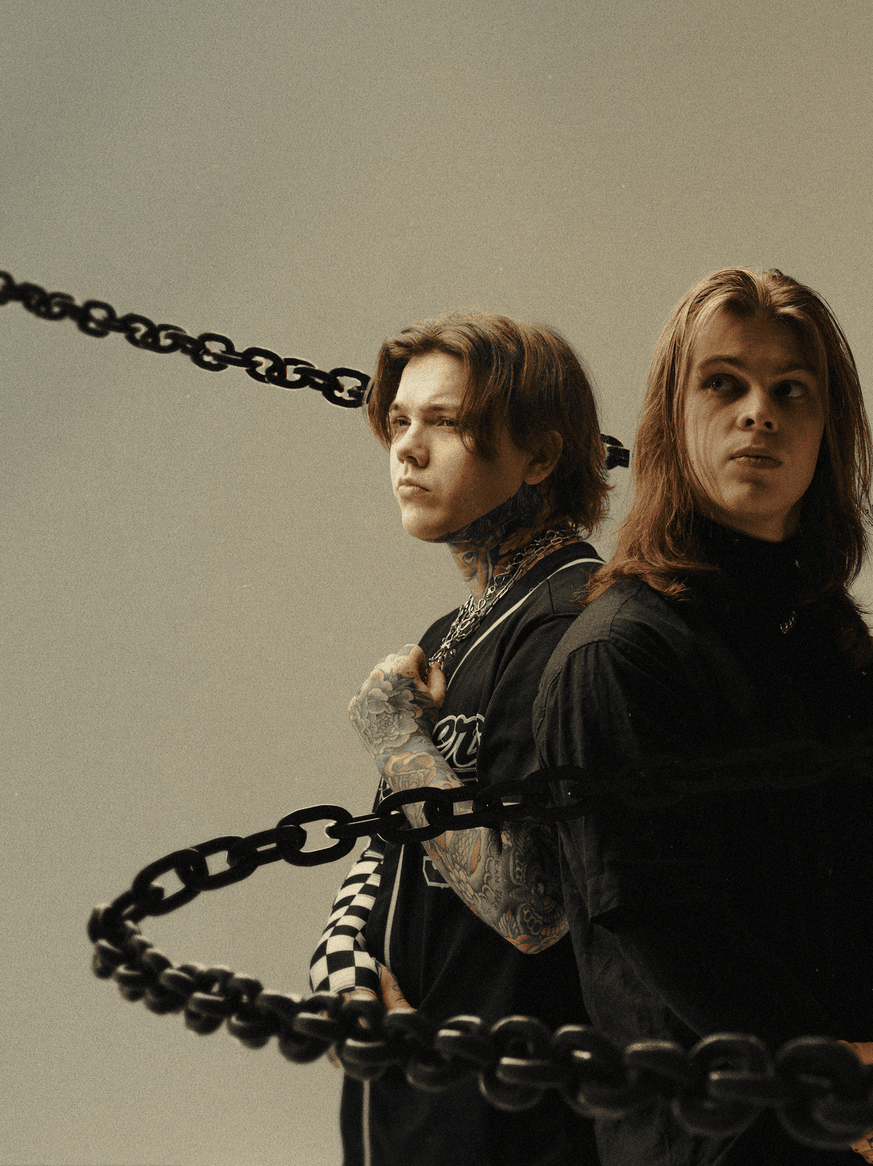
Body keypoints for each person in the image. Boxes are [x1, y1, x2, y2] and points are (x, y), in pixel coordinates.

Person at [533, 268, 873, 1166]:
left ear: (827, 430)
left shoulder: (838, 649)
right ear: (671, 416)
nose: (758, 413)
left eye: (790, 390)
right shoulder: (619, 654)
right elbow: (664, 924)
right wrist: (839, 1077)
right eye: (723, 383)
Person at [306, 314, 610, 1166]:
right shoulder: (453, 631)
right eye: (399, 420)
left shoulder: (571, 623)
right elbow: (388, 847)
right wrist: (338, 959)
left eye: (443, 421)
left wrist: (395, 737)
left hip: (511, 1132)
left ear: (540, 455)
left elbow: (534, 908)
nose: (406, 448)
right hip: (410, 1118)